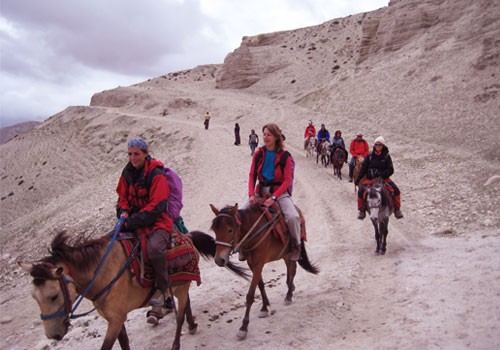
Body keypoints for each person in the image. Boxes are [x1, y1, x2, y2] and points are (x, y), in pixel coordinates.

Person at [116, 137, 173, 324]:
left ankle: (163, 290)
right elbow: (122, 197)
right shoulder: (127, 173)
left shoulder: (156, 174)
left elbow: (157, 205)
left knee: (155, 249)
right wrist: (123, 211)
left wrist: (132, 221)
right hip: (133, 222)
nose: (133, 158)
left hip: (157, 223)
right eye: (130, 154)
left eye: (137, 154)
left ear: (146, 154)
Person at [247, 123, 301, 261]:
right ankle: (243, 247)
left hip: (280, 193)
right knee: (241, 213)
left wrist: (275, 197)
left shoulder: (286, 156)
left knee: (293, 217)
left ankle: (296, 246)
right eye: (264, 134)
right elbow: (252, 175)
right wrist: (251, 194)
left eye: (269, 134)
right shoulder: (259, 153)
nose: (265, 137)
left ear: (276, 137)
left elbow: (287, 180)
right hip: (261, 190)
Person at [355, 136, 404, 219]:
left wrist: (383, 174)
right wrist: (358, 179)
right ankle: (361, 211)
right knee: (361, 191)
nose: (378, 146)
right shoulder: (369, 156)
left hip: (383, 179)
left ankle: (397, 210)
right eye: (376, 145)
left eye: (380, 145)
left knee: (396, 190)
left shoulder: (386, 156)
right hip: (371, 179)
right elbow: (364, 168)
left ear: (383, 146)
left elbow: (391, 169)